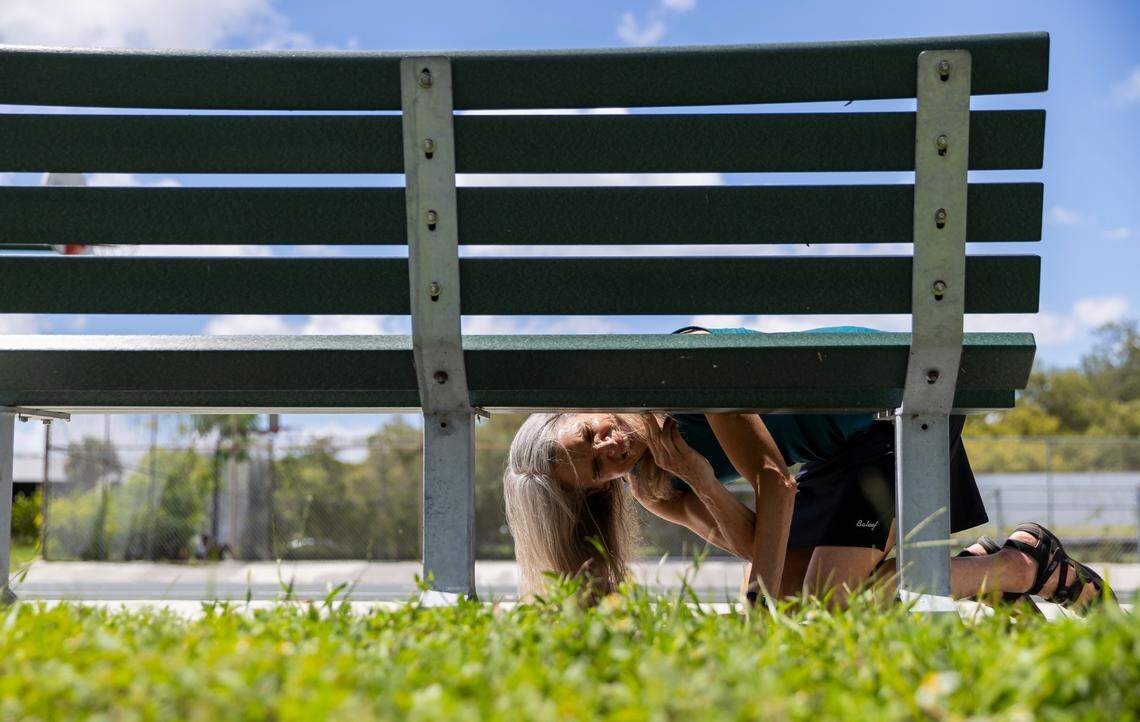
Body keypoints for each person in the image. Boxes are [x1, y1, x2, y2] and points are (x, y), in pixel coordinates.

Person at [502, 325, 1112, 609]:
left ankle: (1027, 565)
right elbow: (754, 545)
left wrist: (757, 607)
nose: (609, 450)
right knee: (809, 600)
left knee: (829, 600)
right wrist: (702, 481)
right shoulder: (653, 486)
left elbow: (775, 481)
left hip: (891, 411)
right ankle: (996, 568)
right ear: (601, 489)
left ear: (581, 409)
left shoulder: (680, 372)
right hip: (836, 458)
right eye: (597, 470)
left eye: (590, 433)